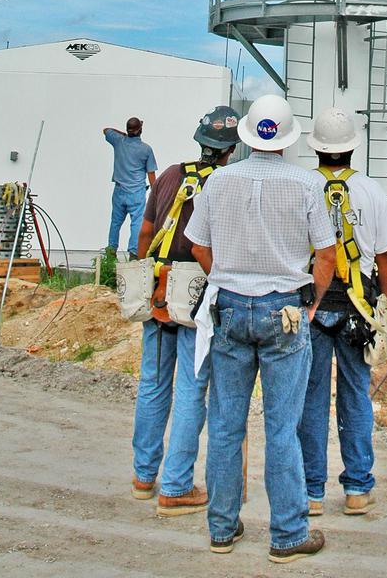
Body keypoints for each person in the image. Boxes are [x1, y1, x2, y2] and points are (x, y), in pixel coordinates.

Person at [184, 94, 336, 563]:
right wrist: (309, 304)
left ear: (247, 134)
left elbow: (198, 247)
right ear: (289, 138)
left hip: (229, 307)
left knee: (227, 425)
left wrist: (225, 277)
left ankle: (222, 527)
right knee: (281, 427)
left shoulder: (219, 181)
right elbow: (326, 254)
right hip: (284, 308)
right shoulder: (307, 184)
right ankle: (288, 534)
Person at [130, 107, 240, 514]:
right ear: (231, 149)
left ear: (200, 141)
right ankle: (175, 486)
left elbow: (145, 231)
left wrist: (147, 278)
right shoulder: (227, 184)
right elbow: (211, 246)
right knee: (192, 391)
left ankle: (144, 476)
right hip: (197, 297)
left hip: (158, 294)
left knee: (153, 385)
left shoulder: (171, 176)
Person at [298, 107, 387, 518]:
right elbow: (385, 257)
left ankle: (311, 493)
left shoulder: (304, 187)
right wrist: (383, 305)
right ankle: (358, 488)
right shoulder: (372, 192)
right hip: (359, 308)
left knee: (312, 397)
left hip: (312, 305)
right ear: (353, 148)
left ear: (317, 150)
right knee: (356, 396)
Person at [103, 117, 157, 259]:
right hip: (137, 193)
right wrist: (156, 194)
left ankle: (111, 252)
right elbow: (151, 174)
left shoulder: (118, 141)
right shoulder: (146, 149)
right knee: (136, 224)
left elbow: (106, 130)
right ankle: (134, 254)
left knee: (115, 222)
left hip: (119, 191)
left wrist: (125, 134)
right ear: (140, 130)